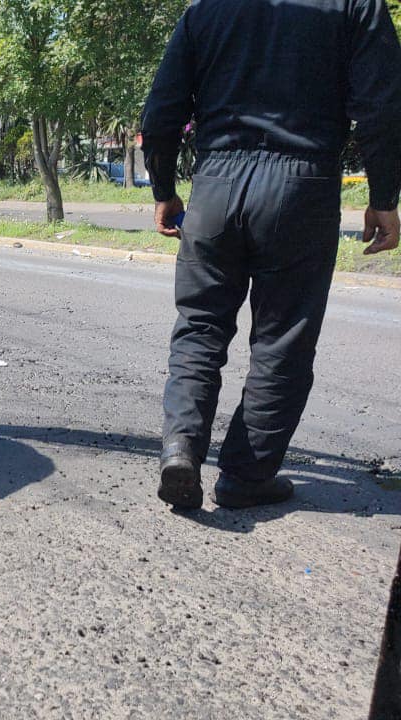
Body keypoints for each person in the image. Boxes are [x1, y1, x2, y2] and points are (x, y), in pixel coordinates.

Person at [142, 0, 401, 511]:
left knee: (199, 327)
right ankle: (245, 475)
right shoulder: (355, 5)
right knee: (282, 339)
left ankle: (182, 448)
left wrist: (164, 188)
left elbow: (162, 109)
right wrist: (384, 197)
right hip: (302, 186)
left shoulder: (205, 11)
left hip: (215, 183)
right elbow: (383, 106)